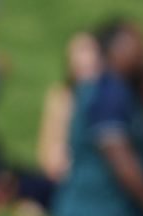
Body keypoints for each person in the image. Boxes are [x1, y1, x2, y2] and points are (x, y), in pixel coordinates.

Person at [52, 18, 143, 216]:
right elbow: (118, 153)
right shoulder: (109, 92)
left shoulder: (124, 92)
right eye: (137, 43)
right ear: (115, 49)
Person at [36, 31, 102, 184]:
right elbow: (46, 156)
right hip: (65, 174)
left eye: (90, 50)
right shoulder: (61, 98)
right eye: (80, 51)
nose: (86, 58)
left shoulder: (112, 99)